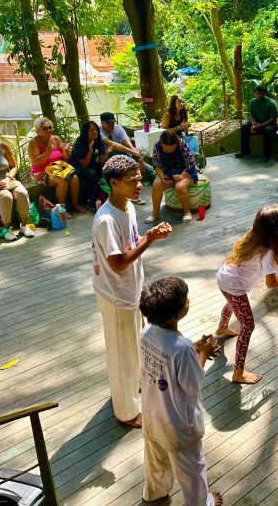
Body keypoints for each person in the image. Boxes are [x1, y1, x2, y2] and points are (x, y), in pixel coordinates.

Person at [92, 155, 172, 428]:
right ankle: (125, 412)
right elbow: (117, 263)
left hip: (131, 291)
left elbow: (131, 243)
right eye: (131, 182)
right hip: (116, 295)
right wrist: (149, 240)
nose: (139, 185)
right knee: (121, 355)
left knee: (132, 347)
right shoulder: (106, 220)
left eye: (139, 179)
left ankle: (130, 386)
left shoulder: (127, 207)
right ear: (113, 183)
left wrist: (151, 235)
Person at [138, 276, 223, 506]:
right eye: (186, 300)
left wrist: (197, 347)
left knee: (155, 460)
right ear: (176, 314)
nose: (189, 301)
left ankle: (154, 493)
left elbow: (165, 359)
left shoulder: (146, 332)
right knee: (192, 472)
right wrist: (203, 353)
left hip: (152, 414)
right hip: (179, 425)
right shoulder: (183, 348)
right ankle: (201, 503)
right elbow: (191, 383)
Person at [215, 205, 278, 384]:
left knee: (232, 302)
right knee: (248, 325)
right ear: (276, 227)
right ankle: (238, 372)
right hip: (234, 285)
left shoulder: (255, 236)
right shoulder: (269, 251)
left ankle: (222, 327)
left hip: (224, 278)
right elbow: (271, 283)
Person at [27, 117, 86, 215]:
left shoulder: (56, 139)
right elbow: (36, 162)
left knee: (74, 178)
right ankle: (61, 210)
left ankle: (75, 204)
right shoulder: (33, 143)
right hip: (41, 172)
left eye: (50, 127)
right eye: (45, 128)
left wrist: (66, 150)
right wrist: (49, 150)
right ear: (38, 131)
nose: (48, 130)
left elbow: (66, 158)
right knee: (61, 182)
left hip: (58, 168)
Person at [146, 131, 196, 224]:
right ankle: (155, 214)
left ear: (176, 143)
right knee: (156, 184)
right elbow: (156, 165)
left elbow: (191, 165)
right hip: (167, 172)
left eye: (171, 148)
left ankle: (187, 212)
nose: (169, 151)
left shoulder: (182, 144)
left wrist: (181, 176)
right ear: (161, 143)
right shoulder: (157, 146)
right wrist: (162, 176)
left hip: (185, 172)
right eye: (166, 149)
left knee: (179, 187)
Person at [99, 111, 149, 204]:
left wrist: (135, 153)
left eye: (113, 123)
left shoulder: (118, 128)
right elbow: (113, 144)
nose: (112, 125)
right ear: (102, 123)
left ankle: (135, 190)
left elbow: (127, 142)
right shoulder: (99, 131)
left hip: (122, 154)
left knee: (139, 161)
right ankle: (129, 192)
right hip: (108, 156)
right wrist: (132, 151)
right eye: (109, 123)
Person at [70, 121, 108, 210]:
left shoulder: (98, 141)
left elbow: (102, 161)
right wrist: (90, 151)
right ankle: (88, 200)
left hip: (90, 163)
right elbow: (84, 165)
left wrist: (108, 152)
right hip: (77, 165)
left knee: (105, 170)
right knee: (91, 173)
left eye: (96, 130)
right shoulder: (79, 144)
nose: (95, 132)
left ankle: (103, 196)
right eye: (91, 130)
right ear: (86, 132)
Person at [236, 85, 278, 162]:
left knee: (267, 131)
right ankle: (245, 152)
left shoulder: (271, 103)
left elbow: (273, 118)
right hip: (257, 123)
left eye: (261, 93)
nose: (259, 95)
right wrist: (254, 124)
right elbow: (252, 116)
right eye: (257, 93)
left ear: (264, 94)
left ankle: (267, 155)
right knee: (245, 127)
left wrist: (260, 126)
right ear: (255, 94)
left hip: (270, 124)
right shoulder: (252, 102)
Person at [161, 95, 200, 159]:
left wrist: (185, 127)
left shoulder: (183, 113)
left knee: (194, 138)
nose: (181, 104)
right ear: (173, 103)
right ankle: (191, 158)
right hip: (171, 139)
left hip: (181, 137)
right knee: (183, 143)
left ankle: (192, 157)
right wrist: (179, 127)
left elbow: (184, 131)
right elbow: (164, 131)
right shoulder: (167, 115)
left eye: (182, 102)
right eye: (179, 102)